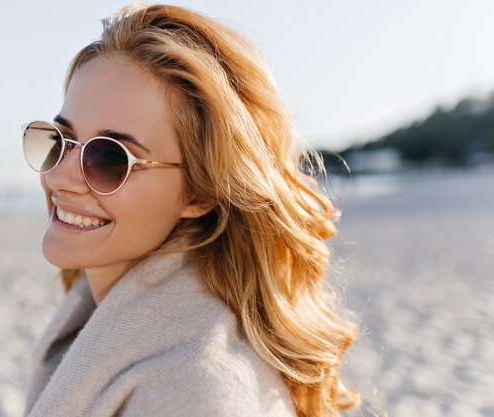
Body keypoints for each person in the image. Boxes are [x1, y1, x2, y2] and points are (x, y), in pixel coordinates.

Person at [20, 4, 361, 417]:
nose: (60, 178)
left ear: (200, 194)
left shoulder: (196, 389)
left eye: (110, 159)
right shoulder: (105, 323)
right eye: (62, 140)